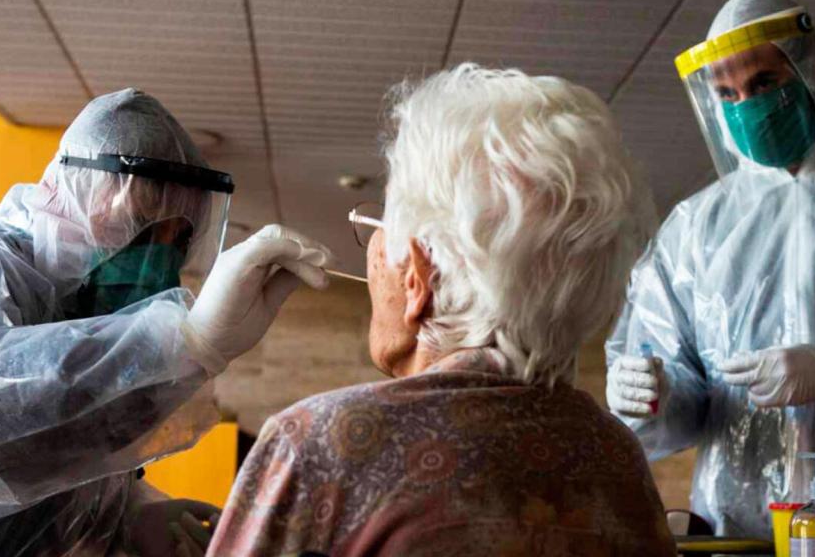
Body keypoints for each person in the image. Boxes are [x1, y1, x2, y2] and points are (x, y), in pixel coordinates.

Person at [206, 63, 673, 557]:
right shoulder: (615, 456)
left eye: (379, 226)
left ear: (419, 277)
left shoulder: (323, 443)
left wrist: (193, 351)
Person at [0, 89, 331, 556]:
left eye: (177, 238)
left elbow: (56, 450)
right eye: (138, 224)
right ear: (60, 197)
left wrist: (129, 511)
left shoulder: (82, 313)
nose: (156, 258)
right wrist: (183, 344)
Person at [606, 0, 815, 537]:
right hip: (737, 530)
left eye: (762, 84)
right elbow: (685, 401)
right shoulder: (697, 227)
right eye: (726, 93)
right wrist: (647, 396)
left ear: (809, 71)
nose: (745, 105)